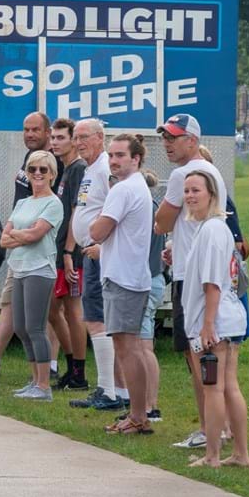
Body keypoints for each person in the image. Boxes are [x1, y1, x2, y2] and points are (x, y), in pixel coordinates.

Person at [152, 113, 227, 448]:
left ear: (192, 141)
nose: (167, 143)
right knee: (205, 355)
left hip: (194, 277)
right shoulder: (212, 171)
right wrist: (175, 247)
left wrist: (169, 234)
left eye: (174, 137)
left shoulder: (185, 173)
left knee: (198, 355)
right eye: (165, 137)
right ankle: (218, 426)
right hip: (198, 267)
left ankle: (210, 429)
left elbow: (162, 221)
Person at [177, 170, 249, 468]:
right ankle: (241, 454)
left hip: (216, 321)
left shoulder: (210, 230)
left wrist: (208, 324)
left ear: (212, 194)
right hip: (230, 319)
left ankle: (212, 455)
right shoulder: (217, 229)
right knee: (229, 385)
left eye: (196, 190)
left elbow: (212, 283)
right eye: (187, 191)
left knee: (213, 388)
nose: (190, 196)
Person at [89, 135, 157, 434]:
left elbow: (98, 231)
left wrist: (94, 222)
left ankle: (138, 415)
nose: (114, 160)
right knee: (134, 348)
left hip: (123, 278)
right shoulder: (138, 185)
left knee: (127, 348)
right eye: (111, 155)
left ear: (136, 158)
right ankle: (138, 413)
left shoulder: (123, 189)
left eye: (120, 155)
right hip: (132, 275)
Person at [0, 112, 50, 377]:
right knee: (11, 308)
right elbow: (16, 216)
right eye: (26, 129)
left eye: (35, 129)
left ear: (47, 132)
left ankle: (48, 373)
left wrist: (18, 236)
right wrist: (12, 236)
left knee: (43, 319)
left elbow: (44, 219)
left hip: (39, 254)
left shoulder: (49, 164)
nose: (30, 134)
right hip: (18, 251)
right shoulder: (29, 160)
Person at [68, 120, 124, 411]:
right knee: (93, 317)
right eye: (76, 137)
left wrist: (101, 246)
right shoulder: (89, 169)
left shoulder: (103, 168)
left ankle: (109, 390)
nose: (79, 142)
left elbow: (115, 210)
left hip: (98, 253)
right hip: (87, 252)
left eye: (84, 137)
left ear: (100, 138)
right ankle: (109, 388)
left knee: (97, 318)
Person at [0, 150, 64, 400]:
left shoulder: (53, 203)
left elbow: (35, 235)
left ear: (52, 175)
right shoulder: (22, 203)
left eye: (43, 170)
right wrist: (22, 235)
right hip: (18, 268)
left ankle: (44, 386)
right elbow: (3, 239)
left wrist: (20, 234)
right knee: (21, 328)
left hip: (40, 269)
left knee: (36, 327)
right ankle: (34, 380)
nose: (37, 174)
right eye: (32, 169)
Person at [47, 118, 89, 389]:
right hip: (58, 249)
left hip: (71, 254)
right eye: (52, 138)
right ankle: (72, 364)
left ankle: (79, 373)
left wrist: (68, 251)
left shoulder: (78, 169)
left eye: (61, 137)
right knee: (53, 310)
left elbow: (77, 211)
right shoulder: (64, 169)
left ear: (74, 140)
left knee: (73, 311)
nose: (54, 142)